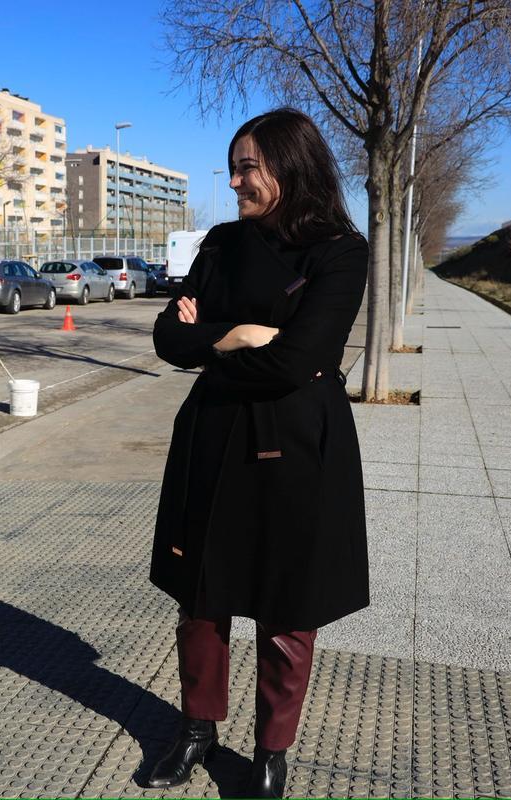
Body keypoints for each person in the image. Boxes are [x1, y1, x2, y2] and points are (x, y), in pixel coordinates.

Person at [147, 108, 370, 798]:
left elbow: (299, 361)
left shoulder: (340, 250)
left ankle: (271, 752)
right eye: (233, 167)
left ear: (290, 167)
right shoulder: (220, 242)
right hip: (212, 437)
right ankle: (196, 728)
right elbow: (166, 338)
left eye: (248, 167)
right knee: (200, 597)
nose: (234, 181)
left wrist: (210, 341)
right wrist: (236, 335)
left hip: (297, 446)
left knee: (287, 608)